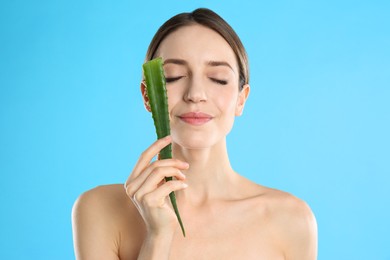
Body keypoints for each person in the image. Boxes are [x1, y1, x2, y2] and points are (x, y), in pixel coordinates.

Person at [72, 8, 317, 260]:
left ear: (241, 100)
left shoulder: (291, 219)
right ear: (148, 96)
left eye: (218, 78)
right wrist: (158, 236)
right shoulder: (100, 210)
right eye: (173, 76)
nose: (195, 93)